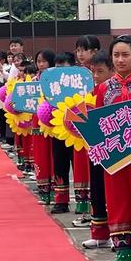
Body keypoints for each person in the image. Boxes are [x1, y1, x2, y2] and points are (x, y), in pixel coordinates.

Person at [95, 36, 131, 261]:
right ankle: (123, 252)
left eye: (125, 55)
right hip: (114, 157)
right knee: (116, 200)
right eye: (116, 55)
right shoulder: (104, 88)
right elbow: (97, 119)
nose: (120, 60)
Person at [82, 51, 113, 249]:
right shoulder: (95, 91)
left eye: (100, 71)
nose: (95, 76)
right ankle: (99, 232)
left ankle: (117, 235)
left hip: (118, 148)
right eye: (93, 72)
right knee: (98, 189)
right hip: (97, 148)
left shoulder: (112, 89)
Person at [72, 35, 101, 227]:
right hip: (78, 128)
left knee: (96, 174)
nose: (80, 53)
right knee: (81, 169)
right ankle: (86, 212)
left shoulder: (100, 73)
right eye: (78, 49)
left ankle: (97, 214)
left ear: (96, 52)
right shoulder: (73, 74)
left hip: (98, 130)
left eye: (85, 49)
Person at [50, 52, 76, 214]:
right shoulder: (52, 84)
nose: (60, 71)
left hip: (78, 131)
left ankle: (84, 203)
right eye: (57, 67)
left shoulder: (82, 82)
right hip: (59, 129)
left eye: (64, 67)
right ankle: (61, 200)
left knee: (80, 167)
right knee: (59, 164)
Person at [33, 49, 56, 204]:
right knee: (40, 155)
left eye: (44, 61)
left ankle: (55, 192)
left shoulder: (55, 79)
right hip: (36, 121)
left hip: (52, 123)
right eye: (38, 61)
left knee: (53, 157)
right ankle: (43, 191)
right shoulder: (33, 80)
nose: (41, 64)